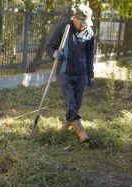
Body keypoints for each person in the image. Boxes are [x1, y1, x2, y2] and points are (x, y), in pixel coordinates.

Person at [46, 4, 95, 143]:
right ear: (75, 18)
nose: (84, 26)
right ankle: (81, 132)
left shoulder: (89, 33)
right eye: (82, 23)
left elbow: (90, 55)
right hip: (64, 72)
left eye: (87, 23)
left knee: (76, 104)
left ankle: (64, 130)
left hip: (81, 73)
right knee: (70, 101)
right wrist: (54, 53)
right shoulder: (64, 28)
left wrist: (90, 75)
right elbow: (50, 46)